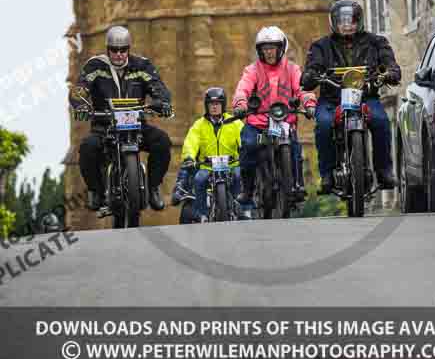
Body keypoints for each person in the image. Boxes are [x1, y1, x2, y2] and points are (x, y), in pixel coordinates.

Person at [69, 25, 173, 212]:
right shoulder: (95, 66)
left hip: (137, 126)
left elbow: (158, 88)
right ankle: (96, 192)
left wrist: (163, 102)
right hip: (104, 126)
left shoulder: (142, 65)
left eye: (123, 50)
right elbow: (79, 90)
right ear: (108, 49)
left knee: (162, 141)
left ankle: (153, 187)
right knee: (87, 147)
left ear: (128, 49)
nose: (118, 54)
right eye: (114, 50)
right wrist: (81, 105)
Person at [301, 0, 400, 194]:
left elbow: (390, 63)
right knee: (323, 125)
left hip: (366, 97)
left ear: (359, 22)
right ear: (334, 23)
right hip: (331, 99)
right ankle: (327, 175)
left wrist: (390, 71)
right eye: (342, 21)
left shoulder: (377, 42)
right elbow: (311, 69)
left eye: (352, 21)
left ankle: (384, 171)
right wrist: (310, 75)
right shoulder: (320, 46)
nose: (347, 26)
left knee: (381, 121)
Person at [232, 26, 317, 205]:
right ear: (260, 51)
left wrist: (309, 104)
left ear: (281, 48)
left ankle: (297, 185)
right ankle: (247, 189)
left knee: (295, 148)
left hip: (284, 121)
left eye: (272, 48)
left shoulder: (292, 69)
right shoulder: (252, 70)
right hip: (258, 122)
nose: (269, 52)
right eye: (265, 48)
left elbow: (303, 89)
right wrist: (240, 104)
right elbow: (243, 88)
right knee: (247, 146)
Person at [171, 87, 243, 223]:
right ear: (206, 106)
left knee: (240, 174)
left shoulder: (235, 122)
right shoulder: (199, 125)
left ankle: (241, 207)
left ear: (223, 105)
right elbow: (190, 142)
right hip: (208, 167)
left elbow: (243, 139)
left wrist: (245, 152)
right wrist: (189, 157)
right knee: (199, 178)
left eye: (217, 104)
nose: (214, 107)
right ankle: (202, 213)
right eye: (211, 104)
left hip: (232, 165)